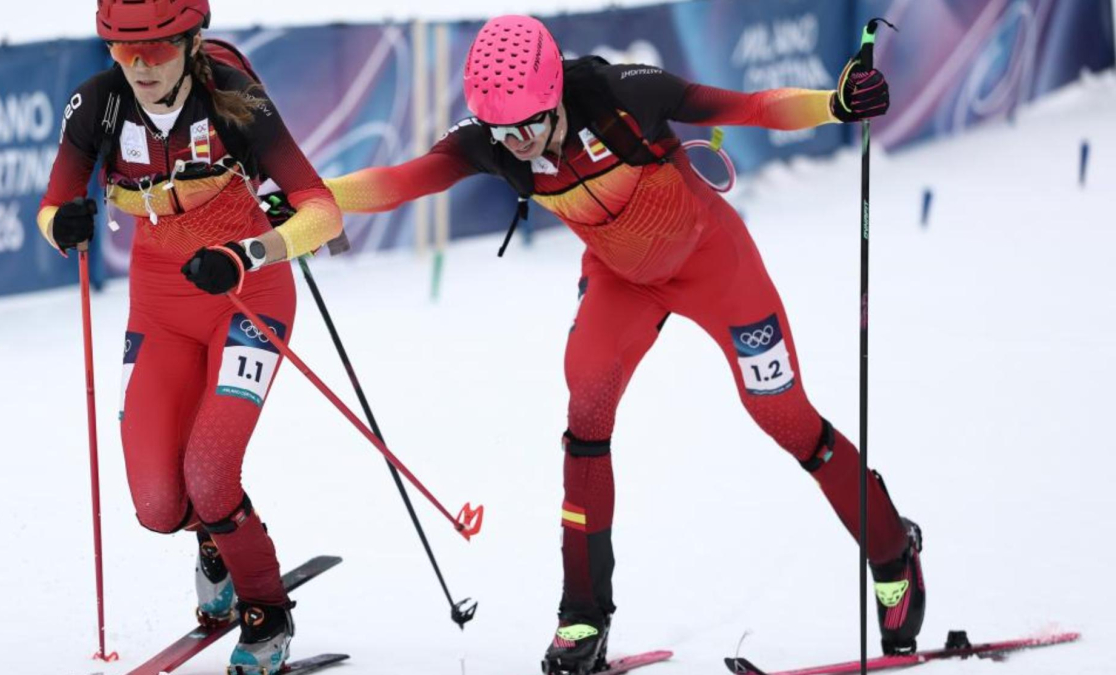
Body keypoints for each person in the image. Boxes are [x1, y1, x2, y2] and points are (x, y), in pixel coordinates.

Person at [322, 15, 925, 675]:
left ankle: (893, 551)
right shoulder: (489, 142)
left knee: (785, 417)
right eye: (501, 131)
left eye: (526, 125)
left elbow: (748, 106)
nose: (515, 144)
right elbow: (402, 180)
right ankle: (582, 615)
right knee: (587, 409)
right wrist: (312, 198)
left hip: (713, 265)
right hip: (621, 280)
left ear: (553, 96)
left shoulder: (622, 95)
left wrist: (834, 105)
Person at [38, 1, 344, 672]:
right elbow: (51, 204)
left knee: (210, 472)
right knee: (157, 504)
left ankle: (266, 615)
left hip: (245, 294)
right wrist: (61, 225)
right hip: (160, 305)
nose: (138, 68)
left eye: (154, 51)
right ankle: (215, 542)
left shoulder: (233, 99)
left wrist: (251, 252)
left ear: (189, 40)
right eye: (123, 52)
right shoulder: (98, 104)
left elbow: (322, 210)